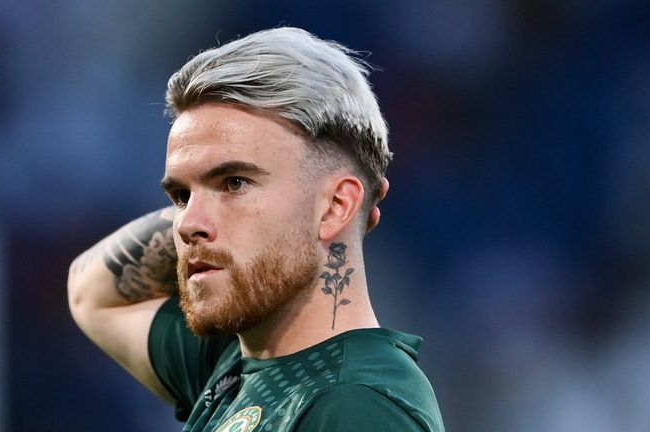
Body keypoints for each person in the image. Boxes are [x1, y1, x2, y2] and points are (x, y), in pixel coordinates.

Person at [68, 27, 444, 431]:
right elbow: (90, 290)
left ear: (336, 205)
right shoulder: (235, 365)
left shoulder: (356, 408)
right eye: (180, 194)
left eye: (234, 182)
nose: (187, 225)